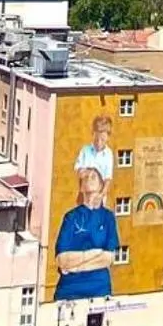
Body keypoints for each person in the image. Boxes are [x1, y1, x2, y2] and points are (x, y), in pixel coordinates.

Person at [53, 166, 120, 300]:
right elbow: (62, 260)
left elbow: (108, 258)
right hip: (69, 289)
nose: (89, 178)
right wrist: (96, 253)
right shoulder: (71, 217)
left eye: (93, 176)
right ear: (81, 187)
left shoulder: (107, 217)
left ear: (101, 186)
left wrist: (75, 266)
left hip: (99, 288)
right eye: (85, 177)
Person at [73, 114, 115, 181]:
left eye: (102, 140)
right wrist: (83, 172)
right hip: (85, 184)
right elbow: (77, 167)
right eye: (96, 139)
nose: (99, 143)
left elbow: (108, 177)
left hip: (100, 187)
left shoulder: (108, 154)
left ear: (108, 137)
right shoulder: (85, 150)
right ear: (93, 134)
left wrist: (102, 188)